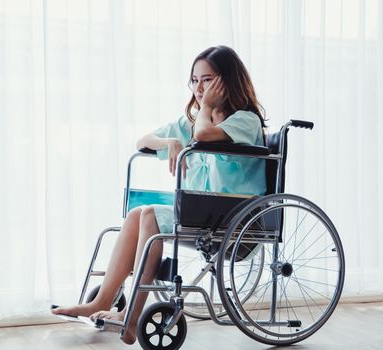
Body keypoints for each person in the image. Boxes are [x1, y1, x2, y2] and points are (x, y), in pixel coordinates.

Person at [52, 45, 267, 345]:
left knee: (150, 215)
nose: (199, 87)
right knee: (137, 213)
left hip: (234, 217)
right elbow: (144, 140)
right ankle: (102, 301)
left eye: (207, 79)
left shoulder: (245, 120)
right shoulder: (191, 123)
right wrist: (170, 142)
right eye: (194, 80)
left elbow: (204, 135)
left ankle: (132, 317)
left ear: (227, 80)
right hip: (202, 211)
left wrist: (204, 110)